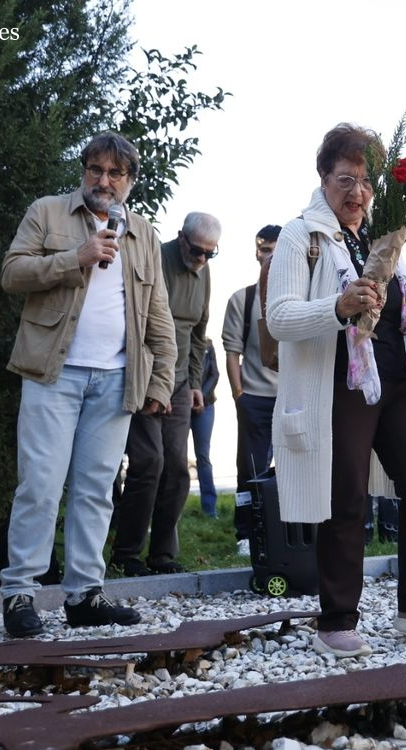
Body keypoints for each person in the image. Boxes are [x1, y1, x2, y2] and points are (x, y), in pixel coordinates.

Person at [265, 122, 406, 658]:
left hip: (397, 379)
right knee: (346, 498)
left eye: (366, 181)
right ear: (323, 178)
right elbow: (279, 317)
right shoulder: (301, 236)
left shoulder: (378, 231)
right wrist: (337, 306)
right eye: (345, 180)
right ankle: (336, 619)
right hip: (339, 385)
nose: (357, 192)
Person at [0, 131, 176, 637]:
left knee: (96, 490)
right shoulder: (48, 212)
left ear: (130, 181)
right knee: (40, 484)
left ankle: (84, 594)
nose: (104, 180)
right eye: (95, 169)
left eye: (115, 173)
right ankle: (19, 593)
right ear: (84, 172)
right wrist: (75, 256)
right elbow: (12, 273)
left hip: (116, 378)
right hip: (53, 373)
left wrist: (161, 380)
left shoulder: (143, 234)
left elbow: (158, 313)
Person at [111, 212, 220, 576]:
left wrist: (194, 384)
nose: (202, 259)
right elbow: (138, 325)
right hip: (145, 377)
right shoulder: (156, 259)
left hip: (180, 383)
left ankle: (162, 556)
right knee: (148, 463)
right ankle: (126, 554)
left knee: (177, 470)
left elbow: (199, 334)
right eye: (197, 250)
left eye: (210, 253)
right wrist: (154, 382)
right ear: (181, 238)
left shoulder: (204, 272)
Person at [221, 225, 281, 558]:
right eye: (264, 249)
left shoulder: (302, 297)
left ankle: (286, 531)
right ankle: (245, 533)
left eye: (275, 249)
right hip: (254, 397)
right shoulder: (241, 300)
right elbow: (232, 351)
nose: (269, 256)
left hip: (293, 398)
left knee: (293, 470)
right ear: (256, 253)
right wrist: (239, 395)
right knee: (250, 470)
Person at [190, 339, 219, 518]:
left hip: (205, 406)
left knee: (203, 456)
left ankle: (209, 509)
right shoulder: (179, 339)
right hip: (181, 404)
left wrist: (201, 396)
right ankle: (171, 511)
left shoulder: (208, 344)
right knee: (175, 458)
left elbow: (214, 374)